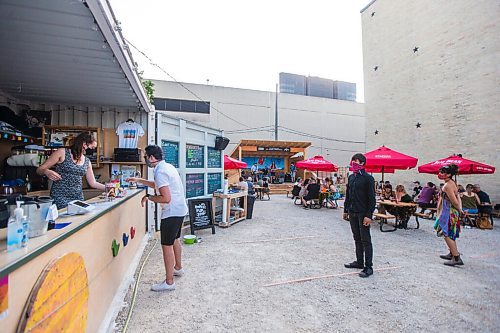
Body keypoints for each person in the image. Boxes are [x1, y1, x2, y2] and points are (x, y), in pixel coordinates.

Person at [126, 145, 188, 291]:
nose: (145, 159)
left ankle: (169, 282)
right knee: (175, 240)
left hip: (171, 212)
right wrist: (139, 180)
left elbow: (165, 198)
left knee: (166, 245)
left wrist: (149, 197)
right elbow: (159, 185)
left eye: (145, 157)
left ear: (152, 158)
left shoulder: (160, 171)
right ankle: (178, 268)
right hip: (180, 209)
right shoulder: (167, 167)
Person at [36, 131, 105, 209]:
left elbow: (93, 183)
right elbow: (39, 169)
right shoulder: (62, 153)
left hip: (78, 198)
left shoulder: (87, 161)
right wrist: (46, 171)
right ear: (84, 144)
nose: (92, 151)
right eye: (92, 148)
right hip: (60, 197)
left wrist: (108, 188)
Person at [343, 153, 376, 278]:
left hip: (363, 213)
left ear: (362, 163)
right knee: (356, 238)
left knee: (365, 239)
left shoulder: (368, 178)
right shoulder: (352, 177)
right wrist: (345, 210)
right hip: (352, 211)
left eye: (356, 161)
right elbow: (348, 194)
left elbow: (371, 199)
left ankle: (368, 266)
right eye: (352, 161)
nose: (353, 163)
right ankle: (359, 261)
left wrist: (369, 215)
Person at [434, 164, 463, 266]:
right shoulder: (452, 183)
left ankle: (456, 257)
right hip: (449, 211)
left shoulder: (447, 186)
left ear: (449, 174)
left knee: (445, 233)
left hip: (448, 212)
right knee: (449, 232)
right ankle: (452, 253)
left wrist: (459, 209)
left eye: (443, 172)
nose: (440, 174)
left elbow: (454, 201)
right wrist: (460, 208)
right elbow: (458, 196)